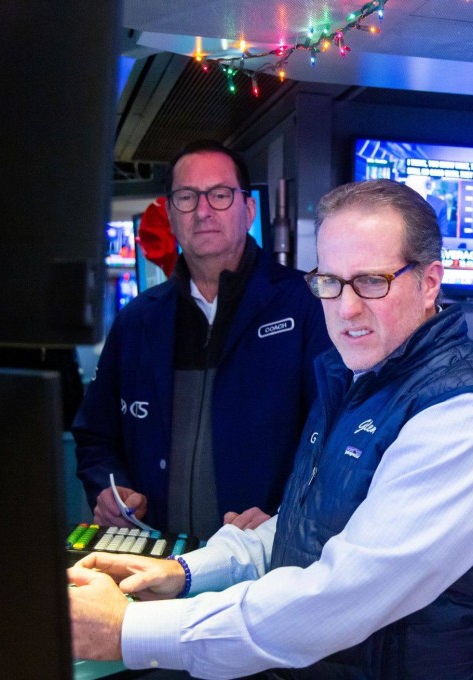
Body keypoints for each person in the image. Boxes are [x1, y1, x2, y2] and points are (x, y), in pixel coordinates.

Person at [67, 178, 473, 679]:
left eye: (372, 282)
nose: (346, 308)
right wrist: (184, 572)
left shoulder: (467, 416)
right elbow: (306, 525)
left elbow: (342, 595)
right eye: (330, 282)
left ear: (429, 283)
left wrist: (131, 629)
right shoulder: (352, 377)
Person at [72, 140, 330, 537]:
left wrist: (286, 515)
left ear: (248, 211)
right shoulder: (137, 321)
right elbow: (95, 434)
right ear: (171, 216)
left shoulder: (306, 306)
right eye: (187, 197)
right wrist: (108, 487)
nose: (204, 210)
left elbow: (335, 433)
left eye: (220, 195)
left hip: (267, 564)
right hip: (160, 562)